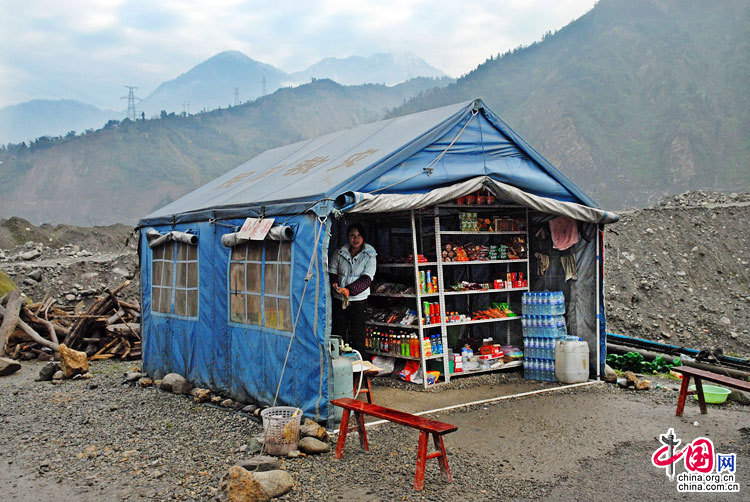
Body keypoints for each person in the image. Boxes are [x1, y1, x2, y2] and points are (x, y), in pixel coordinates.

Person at [329, 223, 376, 355]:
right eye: (352, 235)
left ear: (363, 237)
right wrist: (335, 283)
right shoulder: (339, 252)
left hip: (359, 300)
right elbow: (332, 272)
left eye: (359, 235)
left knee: (358, 334)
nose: (355, 239)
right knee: (339, 331)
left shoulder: (370, 255)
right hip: (339, 299)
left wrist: (350, 290)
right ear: (347, 237)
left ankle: (360, 367)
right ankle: (339, 362)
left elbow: (367, 279)